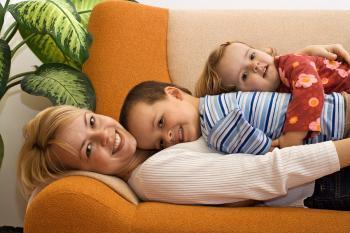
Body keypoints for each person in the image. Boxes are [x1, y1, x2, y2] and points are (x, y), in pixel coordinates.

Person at [18, 104, 350, 209]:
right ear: (85, 172)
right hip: (325, 180)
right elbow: (266, 174)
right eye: (89, 150)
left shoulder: (154, 147)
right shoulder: (155, 175)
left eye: (91, 121)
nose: (105, 134)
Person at [119, 81, 350, 154]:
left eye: (160, 122)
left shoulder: (215, 128)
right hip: (337, 105)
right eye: (160, 143)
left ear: (174, 93)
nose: (168, 137)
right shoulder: (217, 101)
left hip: (335, 124)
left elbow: (266, 152)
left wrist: (278, 144)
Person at [196, 42, 350, 148]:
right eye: (244, 76)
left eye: (251, 55)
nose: (254, 65)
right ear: (245, 98)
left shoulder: (291, 62)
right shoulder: (273, 96)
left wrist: (293, 137)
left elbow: (310, 92)